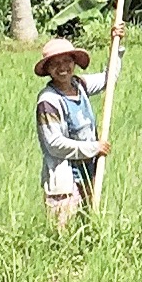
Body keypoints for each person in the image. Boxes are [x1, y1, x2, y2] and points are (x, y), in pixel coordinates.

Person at [34, 29, 122, 224]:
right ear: (48, 69)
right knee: (63, 232)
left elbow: (110, 78)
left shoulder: (79, 85)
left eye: (67, 61)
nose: (63, 68)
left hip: (87, 174)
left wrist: (116, 44)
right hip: (64, 181)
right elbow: (54, 144)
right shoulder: (48, 101)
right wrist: (93, 148)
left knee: (87, 225)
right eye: (56, 64)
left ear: (74, 63)